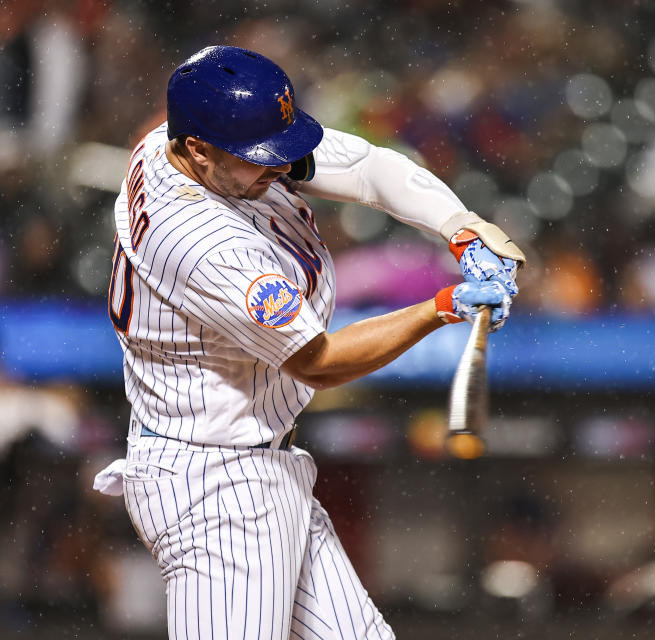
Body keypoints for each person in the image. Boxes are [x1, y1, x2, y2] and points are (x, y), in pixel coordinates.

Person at [92, 45, 525, 640]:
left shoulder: (181, 144)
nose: (277, 167)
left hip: (253, 464)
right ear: (198, 150)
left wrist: (462, 230)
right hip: (218, 488)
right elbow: (319, 363)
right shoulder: (201, 240)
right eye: (258, 157)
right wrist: (442, 307)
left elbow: (370, 169)